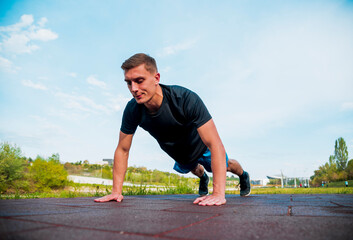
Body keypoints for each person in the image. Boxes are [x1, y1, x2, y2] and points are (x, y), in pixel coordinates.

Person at [94, 53, 251, 206]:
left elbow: (215, 144)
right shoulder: (132, 110)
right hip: (180, 154)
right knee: (193, 169)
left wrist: (217, 194)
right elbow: (122, 149)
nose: (134, 88)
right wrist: (116, 191)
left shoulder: (185, 99)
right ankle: (203, 178)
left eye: (139, 81)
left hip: (201, 147)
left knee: (227, 165)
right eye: (129, 83)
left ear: (156, 78)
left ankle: (243, 175)